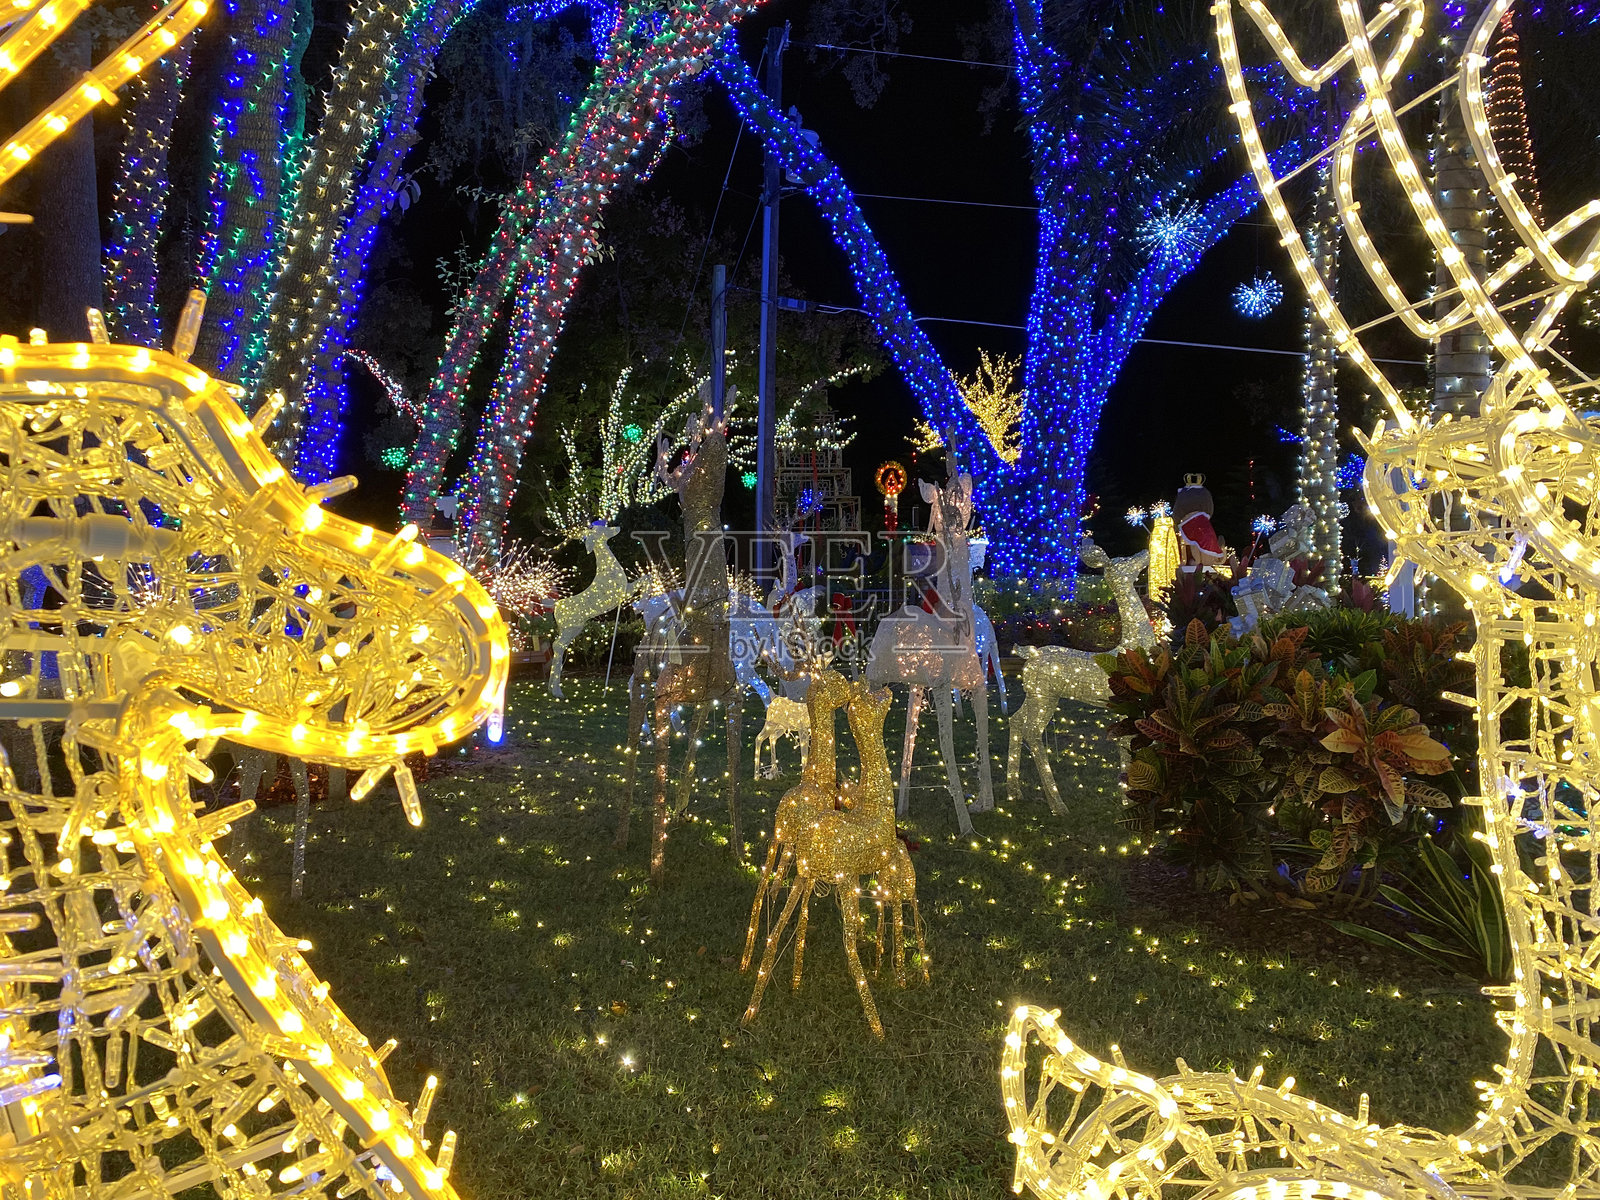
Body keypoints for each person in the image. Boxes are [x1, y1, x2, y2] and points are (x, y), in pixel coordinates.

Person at [1173, 473, 1234, 573]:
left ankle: (1199, 561)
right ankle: (1205, 560)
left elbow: (1177, 510)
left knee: (1195, 542)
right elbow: (1210, 508)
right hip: (1201, 521)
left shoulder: (1183, 493)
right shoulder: (1204, 492)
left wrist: (1177, 520)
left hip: (1188, 522)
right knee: (1202, 541)